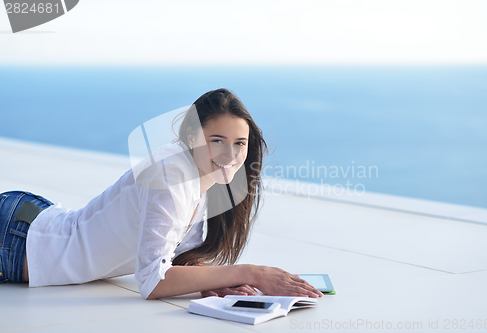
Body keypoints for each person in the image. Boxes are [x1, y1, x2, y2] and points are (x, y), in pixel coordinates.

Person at [0, 88, 322, 300]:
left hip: (34, 220)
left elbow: (168, 255)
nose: (231, 155)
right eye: (218, 140)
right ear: (193, 136)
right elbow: (152, 281)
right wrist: (249, 272)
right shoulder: (171, 177)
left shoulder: (206, 178)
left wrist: (209, 278)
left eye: (240, 143)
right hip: (17, 241)